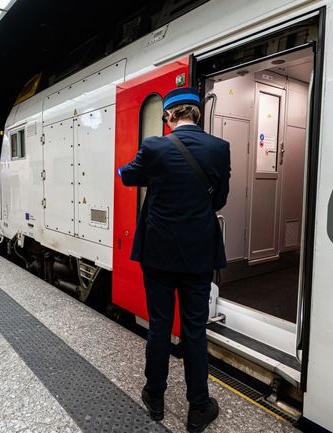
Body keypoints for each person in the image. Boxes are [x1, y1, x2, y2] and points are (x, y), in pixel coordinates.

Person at [119, 87, 230, 433]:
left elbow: (127, 176)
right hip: (199, 256)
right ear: (196, 115)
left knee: (160, 326)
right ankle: (198, 408)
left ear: (169, 116)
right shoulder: (219, 149)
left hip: (159, 255)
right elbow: (220, 200)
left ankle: (155, 398)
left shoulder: (155, 146)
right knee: (195, 331)